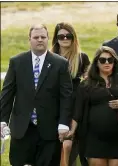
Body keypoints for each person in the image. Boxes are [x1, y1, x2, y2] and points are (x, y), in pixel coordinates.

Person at [0, 24, 73, 166]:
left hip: (49, 130)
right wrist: (3, 120)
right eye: (36, 37)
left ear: (48, 39)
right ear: (30, 40)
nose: (40, 40)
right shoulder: (17, 62)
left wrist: (64, 123)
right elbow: (7, 94)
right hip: (22, 129)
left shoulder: (60, 64)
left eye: (43, 37)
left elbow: (66, 96)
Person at [69, 46, 118, 166]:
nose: (107, 63)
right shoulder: (86, 84)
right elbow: (78, 111)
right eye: (102, 60)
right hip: (94, 137)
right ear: (96, 62)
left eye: (110, 60)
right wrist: (71, 131)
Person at [51, 22, 90, 166]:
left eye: (69, 36)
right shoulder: (50, 57)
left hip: (75, 105)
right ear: (56, 38)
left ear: (74, 38)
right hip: (54, 105)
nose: (65, 39)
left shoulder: (82, 57)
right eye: (61, 36)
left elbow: (89, 81)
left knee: (69, 145)